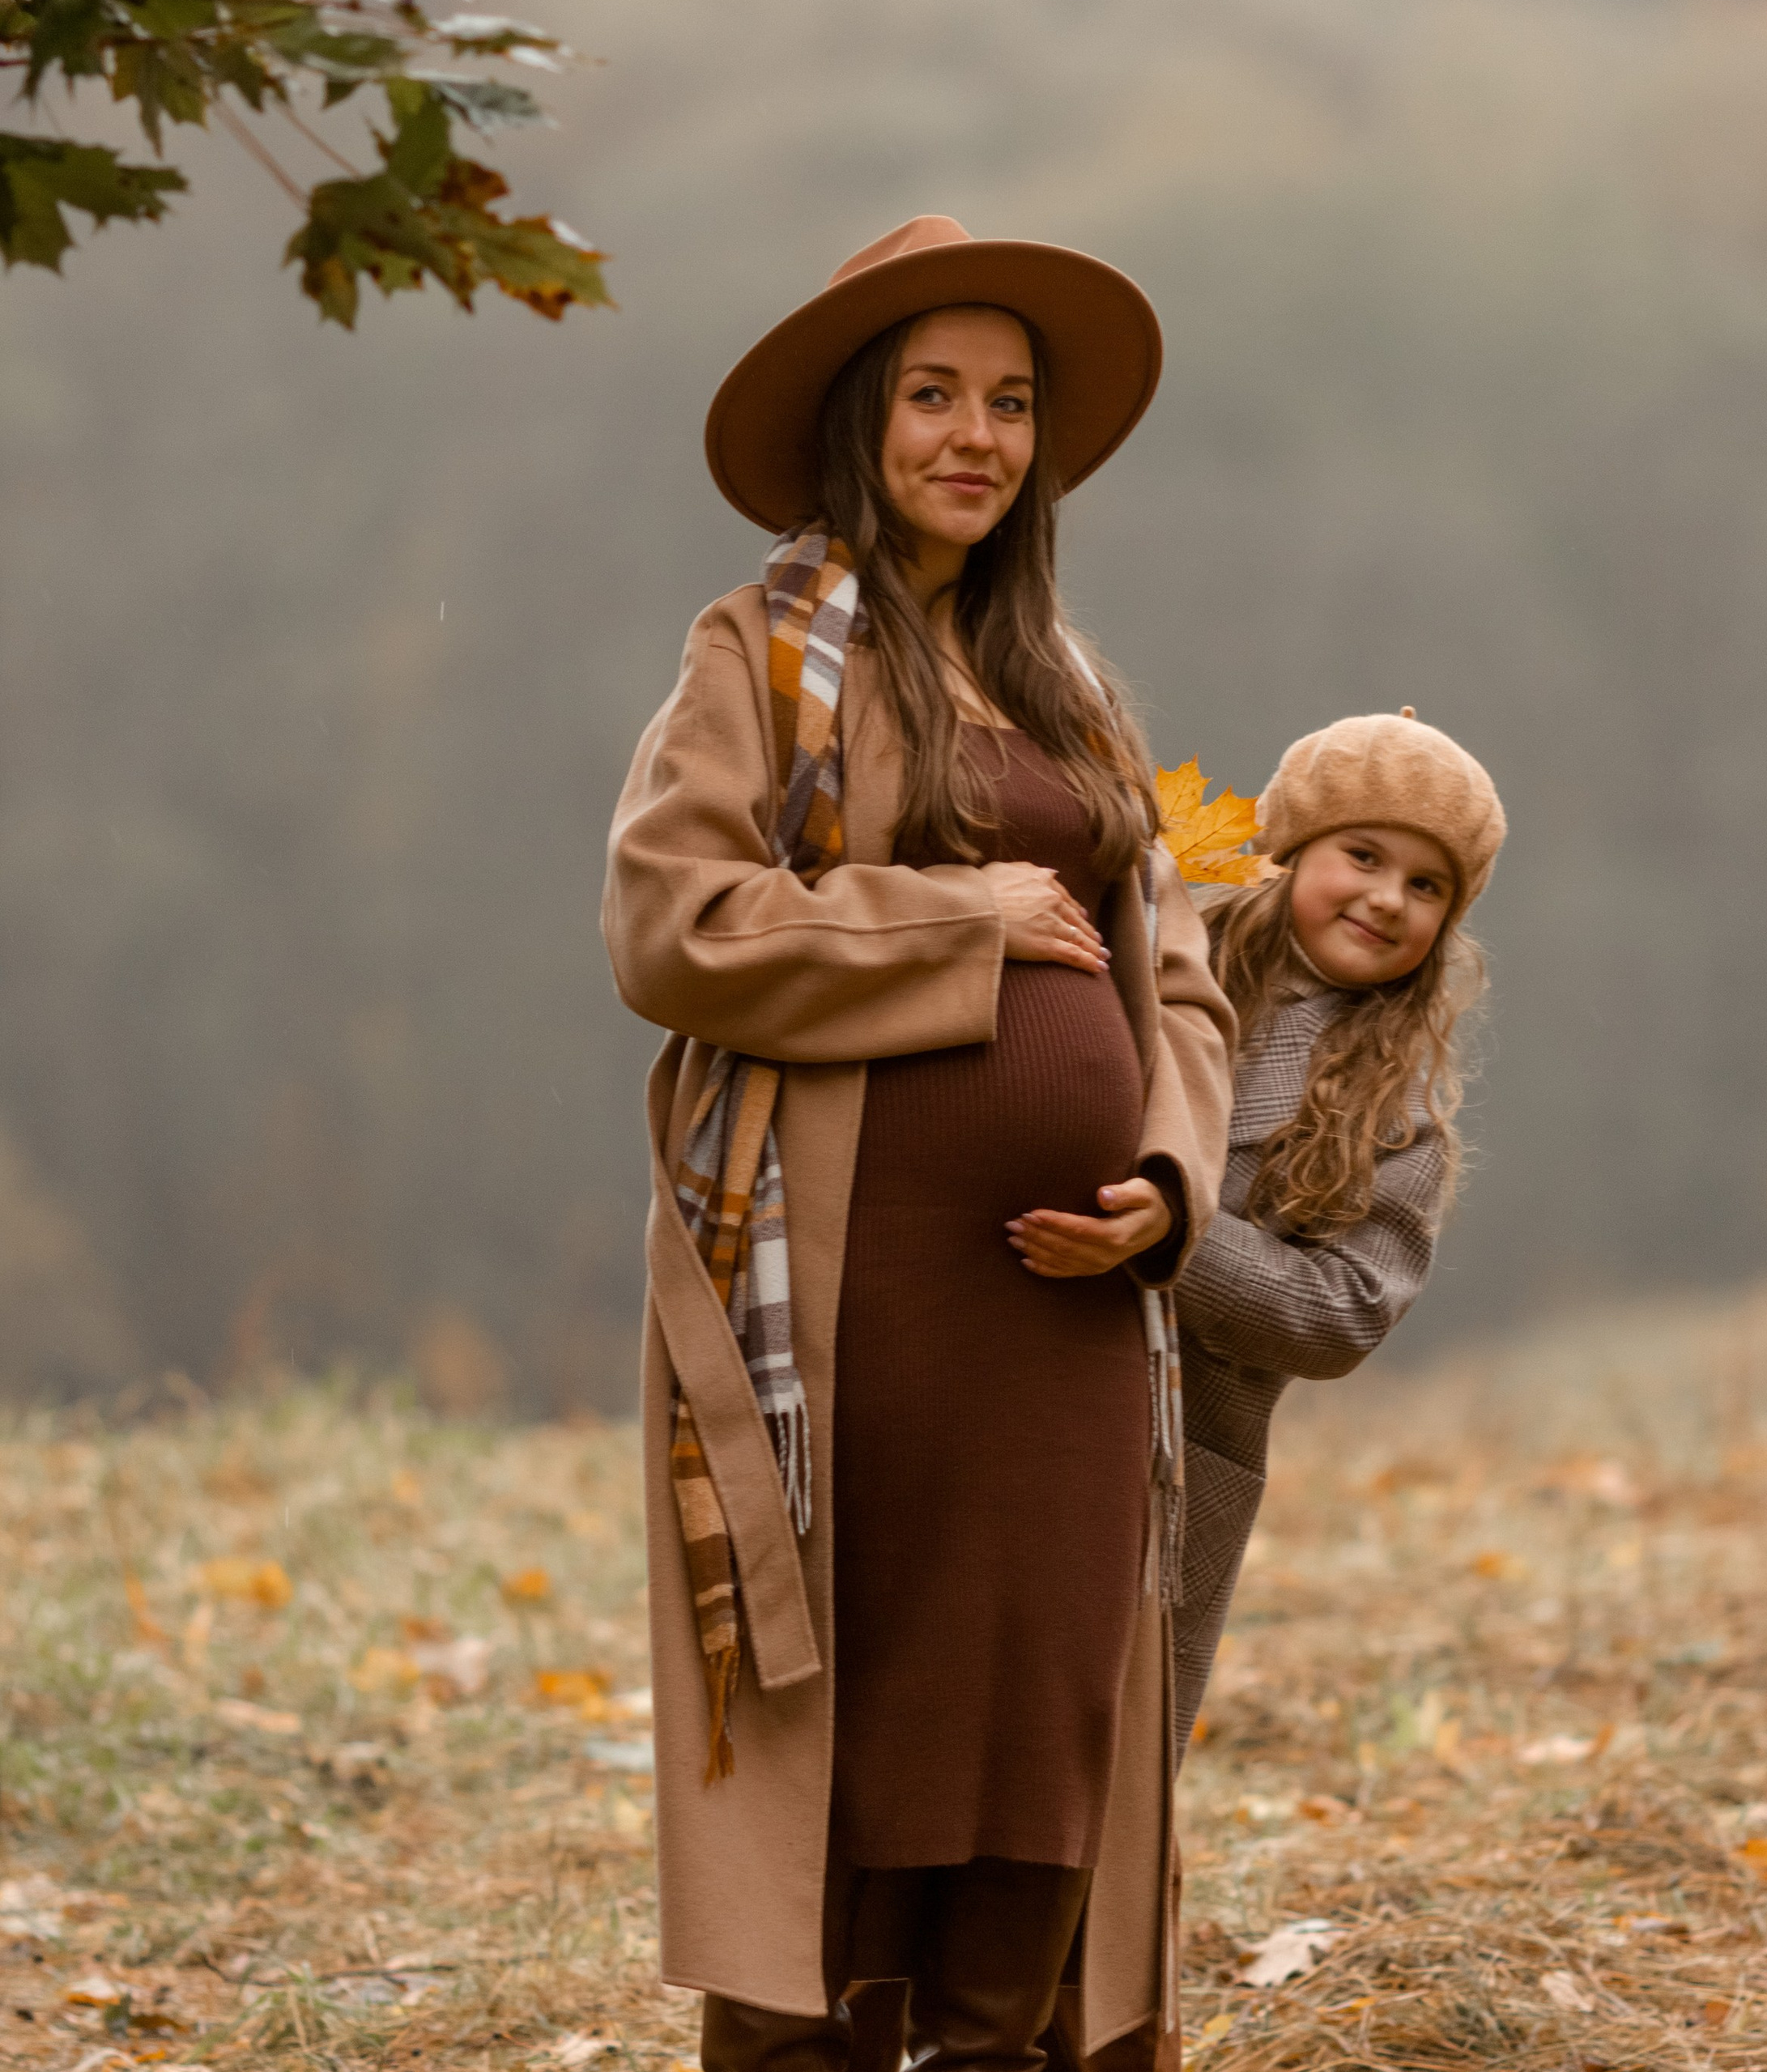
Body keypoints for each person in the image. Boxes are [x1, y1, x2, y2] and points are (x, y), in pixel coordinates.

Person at [602, 216, 1234, 2072]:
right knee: (860, 1728)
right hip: (856, 1295)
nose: (977, 434)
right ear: (862, 419)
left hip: (1068, 1330)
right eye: (935, 395)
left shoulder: (1071, 688)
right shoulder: (758, 654)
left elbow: (1175, 969)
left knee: (1047, 1717)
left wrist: (1170, 1185)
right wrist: (956, 925)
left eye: (1011, 402)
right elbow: (670, 921)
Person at [1154, 711, 1507, 1756]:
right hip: (1025, 1403)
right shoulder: (1149, 965)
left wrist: (1177, 1234)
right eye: (1362, 854)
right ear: (1286, 850)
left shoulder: (1398, 1114)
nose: (1386, 897)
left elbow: (1340, 1314)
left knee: (1104, 1768)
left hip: (1181, 1450)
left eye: (1426, 885)